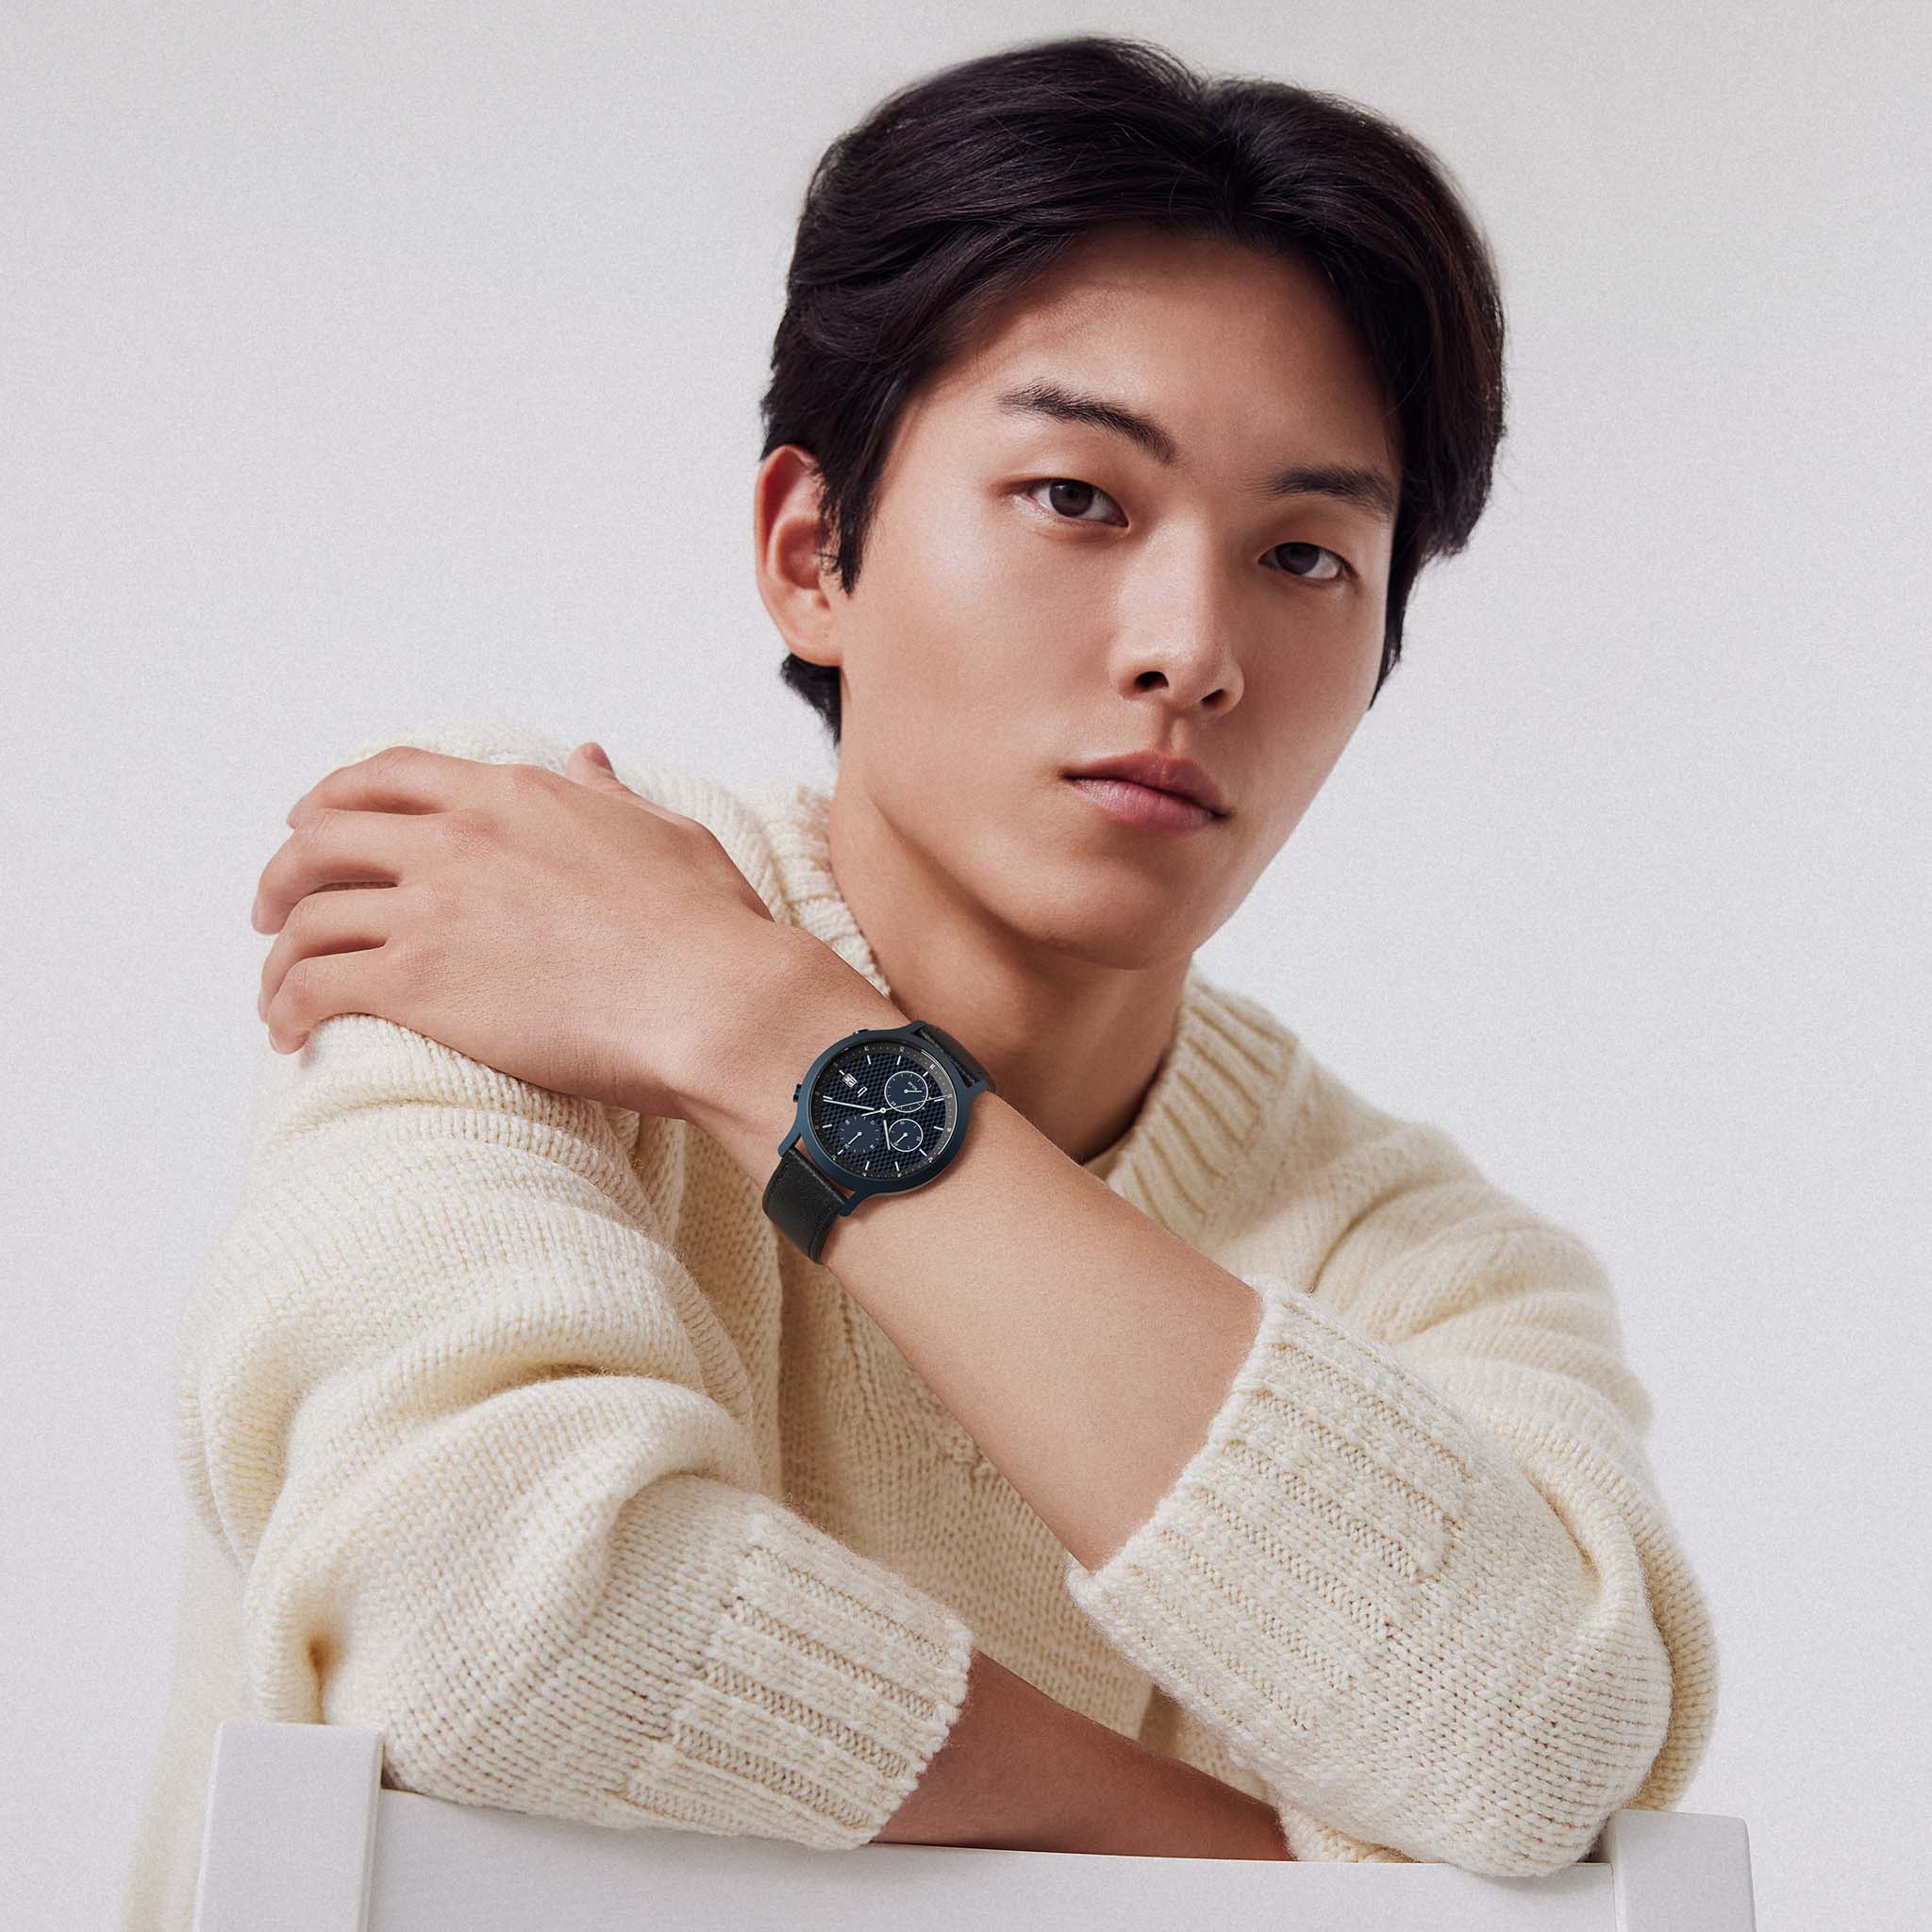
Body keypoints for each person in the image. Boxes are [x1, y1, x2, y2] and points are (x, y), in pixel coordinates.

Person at [124, 34, 1718, 1927]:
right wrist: (1265, 1876)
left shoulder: (1431, 1260)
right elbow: (487, 1613)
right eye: (1076, 497)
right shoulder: (522, 893)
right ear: (814, 553)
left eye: (1305, 554)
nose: (1191, 649)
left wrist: (766, 1032)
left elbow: (1540, 1735)